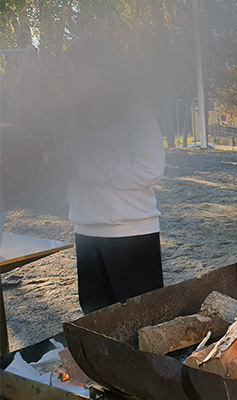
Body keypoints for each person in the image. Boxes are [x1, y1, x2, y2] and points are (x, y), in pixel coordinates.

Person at [57, 37, 165, 314]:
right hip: (85, 229)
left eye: (78, 70)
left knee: (141, 321)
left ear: (101, 72)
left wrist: (88, 170)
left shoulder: (137, 112)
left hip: (130, 232)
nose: (72, 78)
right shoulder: (72, 115)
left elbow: (150, 169)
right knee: (95, 316)